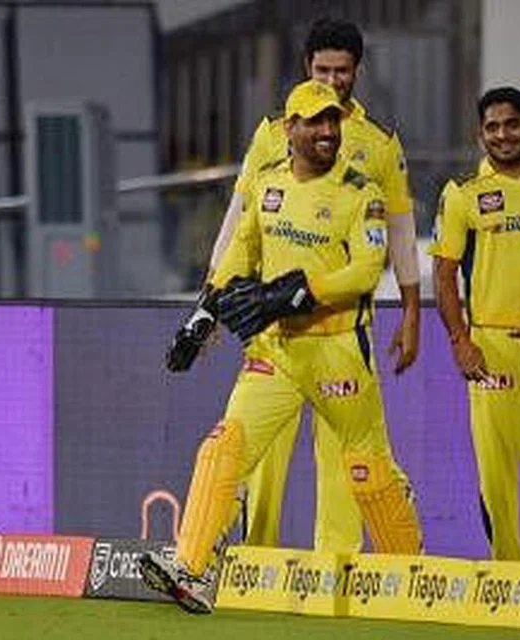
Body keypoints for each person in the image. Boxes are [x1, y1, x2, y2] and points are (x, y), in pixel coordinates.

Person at [141, 80, 423, 613]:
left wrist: (294, 293)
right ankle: (190, 568)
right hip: (276, 352)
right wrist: (203, 316)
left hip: (338, 351)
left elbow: (366, 270)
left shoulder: (360, 192)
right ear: (289, 128)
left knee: (366, 471)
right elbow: (240, 251)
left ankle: (413, 572)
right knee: (224, 445)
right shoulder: (269, 183)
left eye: (333, 120)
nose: (327, 131)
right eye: (315, 121)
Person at [205, 18, 420, 553]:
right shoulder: (273, 131)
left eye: (342, 71)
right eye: (323, 70)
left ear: (357, 71)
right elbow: (240, 218)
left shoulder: (378, 143)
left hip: (340, 328)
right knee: (263, 449)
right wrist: (211, 299)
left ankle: (335, 561)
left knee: (343, 455)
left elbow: (400, 230)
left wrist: (412, 312)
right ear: (307, 67)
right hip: (272, 323)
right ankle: (257, 556)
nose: (332, 80)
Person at [429, 87, 520, 560]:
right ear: (480, 134)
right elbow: (444, 274)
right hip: (493, 344)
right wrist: (460, 341)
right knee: (497, 469)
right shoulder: (463, 193)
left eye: (512, 124)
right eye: (492, 127)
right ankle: (510, 569)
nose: (503, 135)